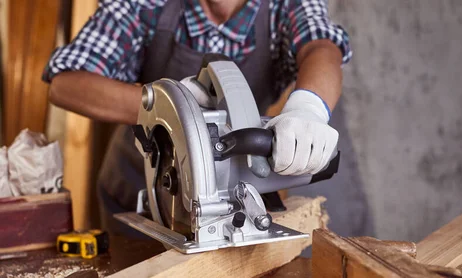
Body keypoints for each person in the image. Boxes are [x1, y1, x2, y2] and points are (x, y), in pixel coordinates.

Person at [42, 0, 358, 236]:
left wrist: (309, 108)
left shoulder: (285, 5)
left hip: (234, 190)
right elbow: (67, 83)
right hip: (141, 187)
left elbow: (321, 45)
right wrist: (175, 106)